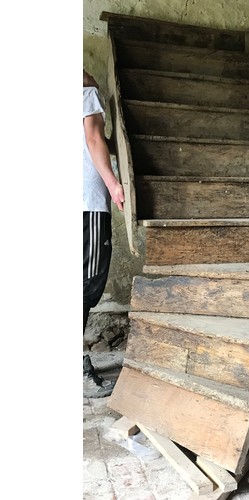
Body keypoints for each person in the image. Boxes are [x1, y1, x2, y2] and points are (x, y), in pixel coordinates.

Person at [83, 69, 125, 397]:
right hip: (88, 206)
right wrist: (113, 185)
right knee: (86, 284)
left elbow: (99, 142)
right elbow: (94, 138)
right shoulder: (86, 93)